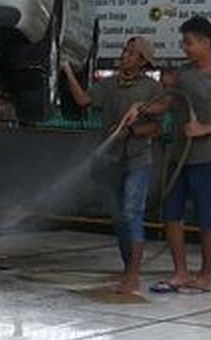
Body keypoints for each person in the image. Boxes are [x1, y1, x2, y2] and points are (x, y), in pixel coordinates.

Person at [127, 16, 211, 293]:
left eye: (189, 42)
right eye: (184, 42)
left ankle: (205, 274)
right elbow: (168, 102)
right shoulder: (184, 73)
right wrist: (141, 107)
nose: (185, 47)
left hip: (206, 158)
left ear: (206, 43)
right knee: (172, 215)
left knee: (205, 217)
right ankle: (180, 272)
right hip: (178, 157)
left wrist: (204, 129)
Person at [62, 36, 162, 294]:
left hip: (138, 159)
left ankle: (133, 275)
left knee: (132, 212)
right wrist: (68, 72)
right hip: (112, 161)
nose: (124, 56)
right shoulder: (108, 85)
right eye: (125, 51)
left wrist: (132, 132)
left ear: (142, 61)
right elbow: (84, 101)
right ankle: (129, 267)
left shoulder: (151, 89)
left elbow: (156, 127)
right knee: (119, 219)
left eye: (130, 53)